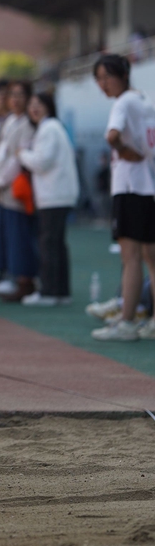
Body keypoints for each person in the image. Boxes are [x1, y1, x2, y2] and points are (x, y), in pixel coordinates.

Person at [91, 54, 155, 341]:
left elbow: (112, 135)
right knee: (150, 258)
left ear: (123, 75)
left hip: (130, 188)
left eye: (107, 77)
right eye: (99, 78)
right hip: (147, 187)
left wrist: (123, 149)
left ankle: (127, 322)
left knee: (131, 258)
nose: (103, 84)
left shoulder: (124, 102)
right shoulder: (143, 100)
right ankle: (147, 321)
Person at [18, 92, 79, 306]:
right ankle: (61, 292)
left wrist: (22, 154)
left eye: (39, 104)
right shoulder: (52, 127)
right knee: (57, 244)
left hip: (54, 194)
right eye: (31, 104)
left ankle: (50, 292)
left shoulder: (48, 128)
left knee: (49, 244)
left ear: (49, 106)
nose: (34, 108)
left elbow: (41, 162)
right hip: (58, 193)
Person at [0, 81, 37, 299]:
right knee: (6, 234)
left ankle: (23, 279)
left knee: (18, 234)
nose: (15, 99)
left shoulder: (27, 124)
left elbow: (17, 158)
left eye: (20, 95)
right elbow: (1, 155)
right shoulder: (9, 122)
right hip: (1, 188)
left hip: (14, 188)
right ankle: (9, 276)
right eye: (12, 95)